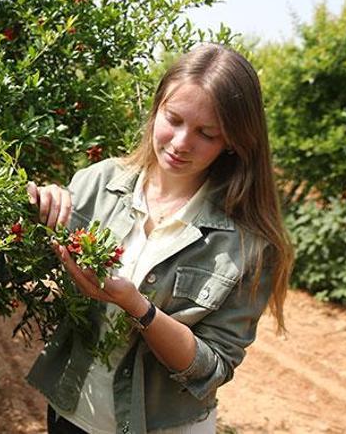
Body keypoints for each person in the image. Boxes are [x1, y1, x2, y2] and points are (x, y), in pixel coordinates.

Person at [24, 43, 295, 434]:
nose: (182, 142)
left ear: (233, 142)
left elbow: (213, 367)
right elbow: (23, 255)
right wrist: (40, 204)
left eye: (207, 133)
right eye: (174, 119)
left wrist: (139, 308)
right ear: (156, 110)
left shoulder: (247, 244)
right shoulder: (97, 184)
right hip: (72, 412)